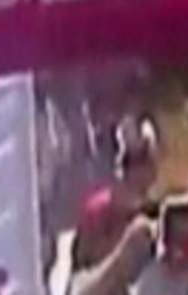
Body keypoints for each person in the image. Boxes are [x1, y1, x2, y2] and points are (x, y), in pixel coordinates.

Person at [69, 115, 160, 295]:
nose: (148, 171)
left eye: (148, 160)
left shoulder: (153, 215)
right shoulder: (98, 210)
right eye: (139, 161)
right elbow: (80, 274)